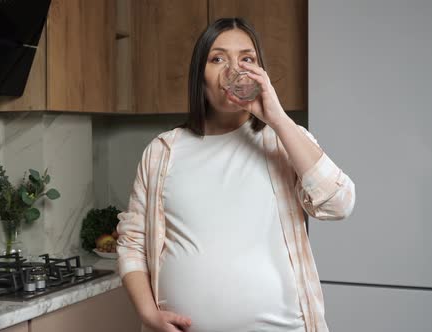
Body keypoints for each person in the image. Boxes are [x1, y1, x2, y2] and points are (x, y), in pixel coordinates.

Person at [116, 17, 355, 332]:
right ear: (199, 77)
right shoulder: (162, 152)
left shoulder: (282, 140)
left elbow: (339, 205)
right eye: (218, 59)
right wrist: (148, 313)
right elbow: (132, 242)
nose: (236, 69)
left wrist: (278, 119)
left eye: (247, 59)